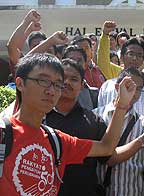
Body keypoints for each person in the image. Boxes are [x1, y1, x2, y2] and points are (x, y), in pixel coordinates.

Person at [0, 53, 138, 196]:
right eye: (43, 81)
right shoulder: (3, 134)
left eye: (57, 84)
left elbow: (107, 147)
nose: (51, 91)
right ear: (20, 83)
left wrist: (122, 104)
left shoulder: (56, 141)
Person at [44, 58, 106, 196]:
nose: (67, 82)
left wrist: (140, 142)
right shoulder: (39, 118)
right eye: (63, 78)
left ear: (83, 85)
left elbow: (109, 155)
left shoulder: (94, 121)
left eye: (73, 79)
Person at [94, 67, 144, 196]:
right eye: (129, 86)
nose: (134, 92)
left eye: (139, 89)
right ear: (118, 87)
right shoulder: (95, 117)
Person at [97, 21, 144, 125]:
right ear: (121, 57)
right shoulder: (107, 86)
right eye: (131, 54)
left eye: (139, 55)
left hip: (138, 137)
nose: (135, 58)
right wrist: (105, 35)